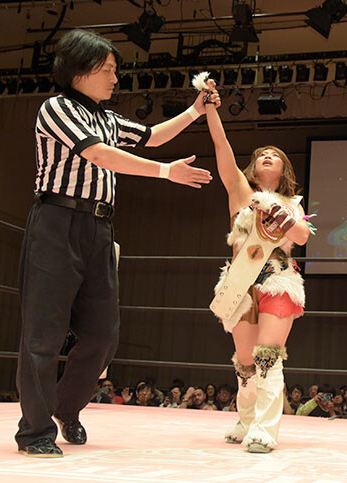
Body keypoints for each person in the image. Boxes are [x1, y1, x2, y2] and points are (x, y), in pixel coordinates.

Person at [15, 29, 212, 458]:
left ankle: (65, 409)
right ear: (80, 70)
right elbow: (100, 155)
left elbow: (154, 136)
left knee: (103, 335)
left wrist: (195, 111)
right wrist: (164, 173)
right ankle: (34, 431)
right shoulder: (56, 109)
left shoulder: (107, 117)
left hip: (100, 229)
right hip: (56, 222)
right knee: (43, 334)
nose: (114, 78)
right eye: (107, 70)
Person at [200, 76, 314, 453]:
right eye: (261, 153)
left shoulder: (293, 203)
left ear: (283, 169)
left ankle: (265, 430)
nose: (267, 155)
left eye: (275, 154)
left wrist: (280, 213)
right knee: (245, 362)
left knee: (267, 357)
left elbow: (300, 237)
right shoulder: (239, 191)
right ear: (252, 166)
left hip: (278, 279)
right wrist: (211, 109)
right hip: (240, 280)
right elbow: (221, 146)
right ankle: (246, 419)